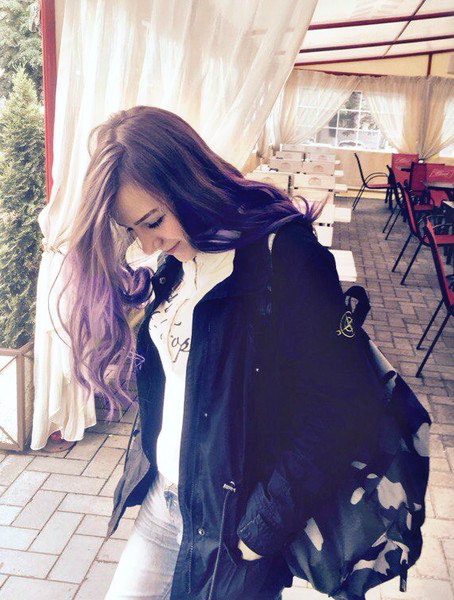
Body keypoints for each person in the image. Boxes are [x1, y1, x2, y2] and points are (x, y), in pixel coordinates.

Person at [56, 106, 382, 600]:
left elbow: (344, 403)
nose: (149, 243)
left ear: (189, 183)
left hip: (234, 525)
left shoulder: (284, 256)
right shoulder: (177, 260)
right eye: (133, 230)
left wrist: (264, 526)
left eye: (153, 221)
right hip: (164, 502)